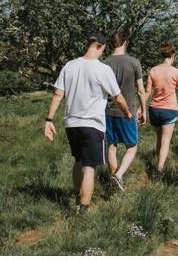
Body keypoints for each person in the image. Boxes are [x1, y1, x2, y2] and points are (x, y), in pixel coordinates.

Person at [44, 33, 130, 213]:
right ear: (103, 47)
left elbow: (58, 94)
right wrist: (127, 113)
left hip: (71, 123)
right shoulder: (102, 69)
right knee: (90, 167)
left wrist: (49, 120)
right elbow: (118, 97)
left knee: (78, 161)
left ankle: (77, 194)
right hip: (92, 124)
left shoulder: (70, 65)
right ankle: (83, 208)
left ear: (88, 45)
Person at [103, 31, 146, 192]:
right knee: (132, 146)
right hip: (127, 111)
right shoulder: (134, 62)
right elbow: (141, 90)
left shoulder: (104, 64)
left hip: (108, 111)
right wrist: (143, 110)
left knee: (112, 145)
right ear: (125, 42)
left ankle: (114, 178)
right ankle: (119, 175)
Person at [145, 41, 178, 173]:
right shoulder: (175, 72)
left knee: (159, 138)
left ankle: (158, 159)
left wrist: (141, 108)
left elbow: (147, 92)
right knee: (166, 140)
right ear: (173, 55)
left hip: (154, 108)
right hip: (169, 109)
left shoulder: (153, 70)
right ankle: (160, 168)